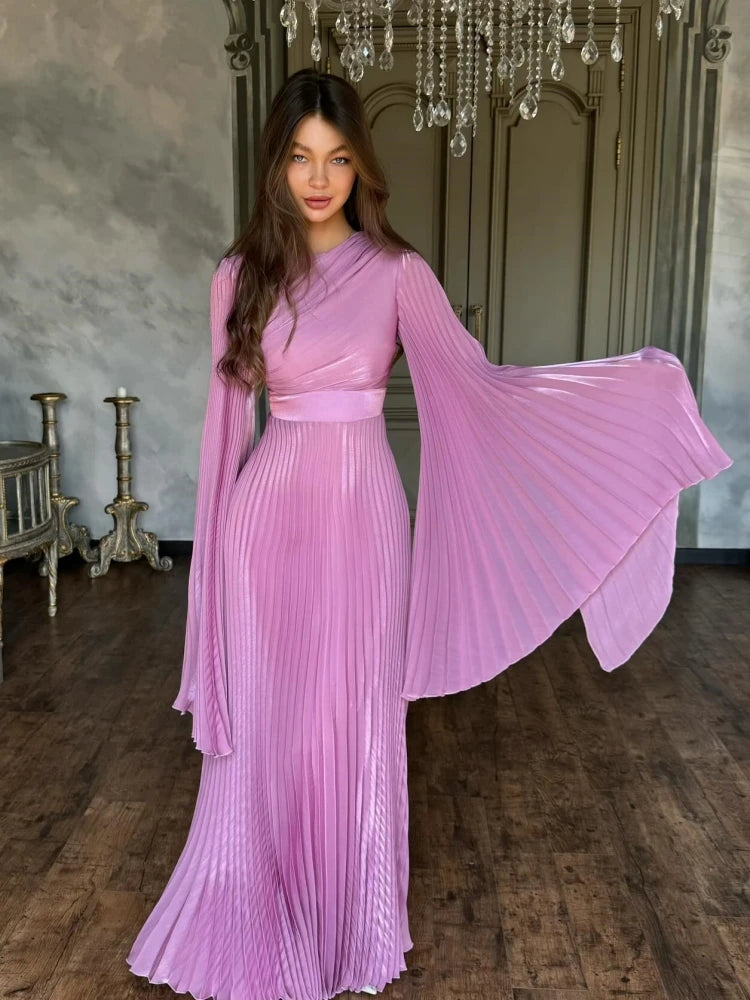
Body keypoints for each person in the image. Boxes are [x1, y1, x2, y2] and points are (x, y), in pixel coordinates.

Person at [125, 68, 733, 1000]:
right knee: (271, 715)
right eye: (299, 158)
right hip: (263, 520)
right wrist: (204, 595)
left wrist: (627, 395)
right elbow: (221, 440)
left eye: (335, 158)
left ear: (360, 165)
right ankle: (256, 907)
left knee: (356, 713)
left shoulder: (399, 275)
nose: (318, 178)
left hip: (365, 513)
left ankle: (345, 926)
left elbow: (487, 391)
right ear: (275, 168)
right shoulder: (237, 278)